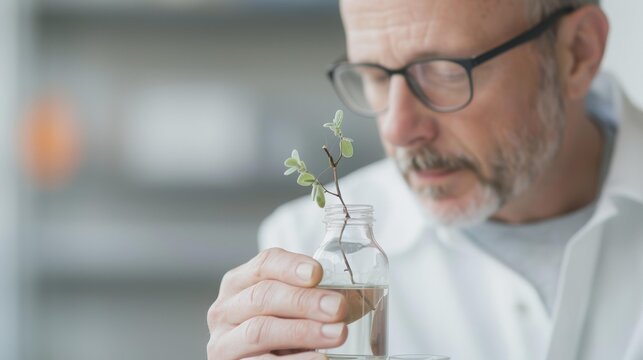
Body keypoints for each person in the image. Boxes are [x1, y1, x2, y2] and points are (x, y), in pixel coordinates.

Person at [207, 0, 643, 359]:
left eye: (445, 71)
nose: (397, 129)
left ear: (578, 52)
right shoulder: (309, 250)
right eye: (374, 76)